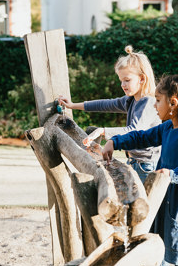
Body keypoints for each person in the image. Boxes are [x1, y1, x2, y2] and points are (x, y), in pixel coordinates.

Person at [102, 67, 178, 266]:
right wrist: (114, 141)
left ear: (173, 103)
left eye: (157, 100)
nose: (154, 106)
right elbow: (142, 137)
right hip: (174, 204)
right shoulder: (167, 128)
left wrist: (173, 174)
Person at [58, 45, 161, 182]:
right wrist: (72, 105)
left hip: (147, 166)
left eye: (127, 80)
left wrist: (103, 131)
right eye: (121, 81)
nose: (122, 85)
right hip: (135, 162)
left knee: (144, 203)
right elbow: (104, 104)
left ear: (142, 79)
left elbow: (134, 130)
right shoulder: (131, 100)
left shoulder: (148, 102)